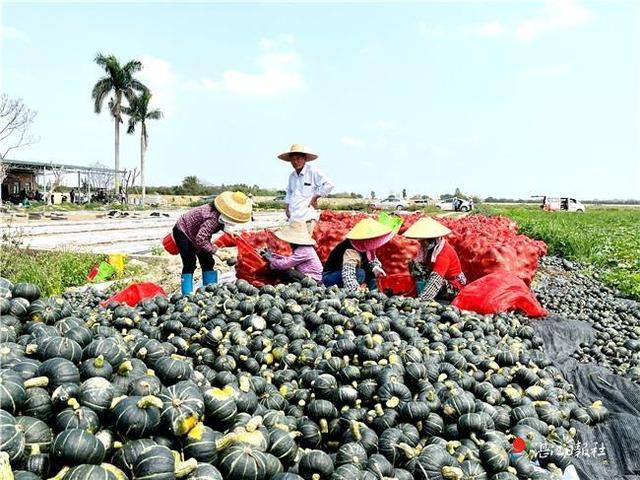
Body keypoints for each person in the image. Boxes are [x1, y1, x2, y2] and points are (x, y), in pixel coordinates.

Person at [173, 191, 252, 295]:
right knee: (189, 263)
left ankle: (210, 289)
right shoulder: (212, 219)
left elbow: (221, 224)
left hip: (197, 233)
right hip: (183, 231)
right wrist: (218, 252)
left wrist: (229, 232)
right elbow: (201, 239)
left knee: (208, 261)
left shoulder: (219, 214)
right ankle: (186, 294)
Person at [403, 217, 467, 302]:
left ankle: (427, 296)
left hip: (453, 286)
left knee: (434, 280)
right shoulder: (428, 250)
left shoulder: (443, 253)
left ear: (431, 240)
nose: (421, 244)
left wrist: (421, 300)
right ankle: (422, 292)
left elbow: (436, 279)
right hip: (441, 279)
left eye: (423, 241)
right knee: (414, 265)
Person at [322, 218, 392, 292]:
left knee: (374, 277)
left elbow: (372, 260)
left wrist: (375, 267)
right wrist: (356, 292)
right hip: (330, 276)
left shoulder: (367, 246)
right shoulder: (350, 250)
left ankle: (371, 293)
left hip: (347, 272)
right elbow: (348, 275)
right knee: (360, 273)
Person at [278, 144, 334, 234]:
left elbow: (329, 184)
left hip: (307, 219)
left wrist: (315, 197)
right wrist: (287, 208)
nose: (296, 162)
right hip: (294, 219)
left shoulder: (312, 172)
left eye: (298, 159)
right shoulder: (292, 176)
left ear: (304, 159)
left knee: (306, 245)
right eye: (293, 159)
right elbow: (289, 192)